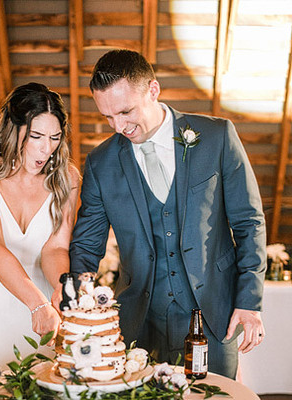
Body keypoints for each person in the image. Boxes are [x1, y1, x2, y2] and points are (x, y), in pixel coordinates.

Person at [69, 49, 266, 378]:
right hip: (138, 323)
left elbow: (249, 223)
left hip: (215, 315)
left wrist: (249, 300)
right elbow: (87, 246)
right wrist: (79, 303)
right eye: (108, 117)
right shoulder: (101, 163)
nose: (119, 127)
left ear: (153, 90)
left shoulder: (217, 137)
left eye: (125, 111)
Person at [0, 83, 80, 384]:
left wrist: (61, 287)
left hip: (46, 321)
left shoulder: (68, 178)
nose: (46, 149)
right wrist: (37, 303)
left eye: (54, 138)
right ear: (13, 130)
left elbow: (55, 248)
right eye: (36, 136)